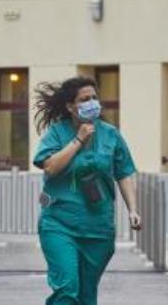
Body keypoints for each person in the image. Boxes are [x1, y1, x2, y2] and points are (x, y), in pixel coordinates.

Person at [33, 76, 140, 305]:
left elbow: (124, 172)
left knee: (87, 296)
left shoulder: (111, 134)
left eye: (94, 98)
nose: (92, 103)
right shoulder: (57, 133)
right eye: (84, 99)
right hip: (59, 224)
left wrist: (133, 209)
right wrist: (79, 140)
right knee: (66, 289)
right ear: (71, 106)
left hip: (98, 228)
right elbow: (50, 166)